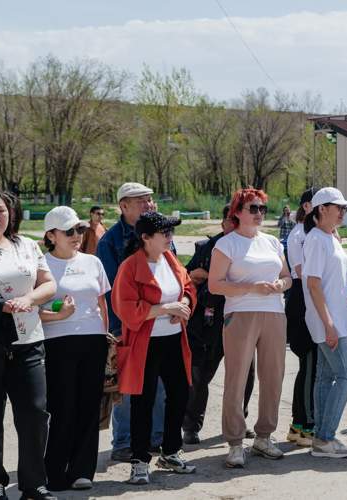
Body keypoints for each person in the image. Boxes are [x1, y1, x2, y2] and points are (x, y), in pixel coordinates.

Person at [208, 188, 292, 468]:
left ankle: (264, 436)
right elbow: (214, 284)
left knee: (273, 376)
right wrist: (251, 288)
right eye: (253, 208)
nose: (259, 214)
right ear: (238, 212)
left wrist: (281, 284)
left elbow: (287, 276)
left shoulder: (272, 242)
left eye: (262, 209)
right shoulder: (226, 244)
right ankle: (234, 442)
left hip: (274, 314)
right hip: (240, 314)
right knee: (237, 378)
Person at [113, 212, 197, 483]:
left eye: (171, 233)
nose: (170, 238)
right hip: (144, 344)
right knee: (143, 400)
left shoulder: (170, 259)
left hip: (173, 339)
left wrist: (183, 304)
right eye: (166, 233)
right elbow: (125, 308)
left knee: (179, 394)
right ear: (146, 238)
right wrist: (164, 309)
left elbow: (187, 287)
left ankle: (171, 451)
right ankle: (139, 461)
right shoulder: (130, 266)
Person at [0, 189, 58, 500]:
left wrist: (29, 299)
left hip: (29, 341)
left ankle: (34, 484)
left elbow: (49, 284)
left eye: (0, 210)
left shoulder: (27, 245)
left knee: (35, 414)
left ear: (11, 213)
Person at [40, 207, 111, 491]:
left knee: (88, 406)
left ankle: (83, 470)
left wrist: (107, 338)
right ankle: (55, 471)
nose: (76, 236)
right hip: (57, 341)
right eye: (69, 231)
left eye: (79, 230)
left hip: (93, 340)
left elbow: (102, 303)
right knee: (62, 407)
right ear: (51, 235)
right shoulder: (40, 265)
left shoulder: (93, 262)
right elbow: (34, 309)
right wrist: (58, 313)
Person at [97, 182, 166, 462]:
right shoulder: (110, 241)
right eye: (141, 201)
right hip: (125, 323)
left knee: (159, 384)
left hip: (159, 322)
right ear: (123, 206)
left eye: (150, 200)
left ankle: (156, 439)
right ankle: (123, 442)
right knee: (126, 386)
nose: (148, 205)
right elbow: (114, 288)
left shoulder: (160, 233)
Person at [182, 205, 256, 445]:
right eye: (230, 220)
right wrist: (199, 273)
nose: (234, 225)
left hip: (242, 316)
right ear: (223, 222)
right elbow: (186, 274)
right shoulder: (206, 247)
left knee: (244, 373)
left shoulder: (251, 246)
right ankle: (191, 426)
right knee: (200, 374)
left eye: (237, 220)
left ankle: (239, 421)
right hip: (208, 321)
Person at [302, 187, 347, 458]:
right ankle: (325, 437)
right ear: (322, 208)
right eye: (339, 207)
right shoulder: (316, 239)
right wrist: (328, 324)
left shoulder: (329, 237)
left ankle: (321, 439)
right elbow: (313, 284)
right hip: (328, 321)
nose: (343, 212)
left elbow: (330, 280)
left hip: (335, 320)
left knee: (326, 377)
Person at [285, 188, 318, 446]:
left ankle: (300, 423)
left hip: (313, 298)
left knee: (313, 366)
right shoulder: (300, 234)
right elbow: (302, 272)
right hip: (302, 298)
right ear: (307, 207)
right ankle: (305, 424)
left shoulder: (318, 233)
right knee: (309, 363)